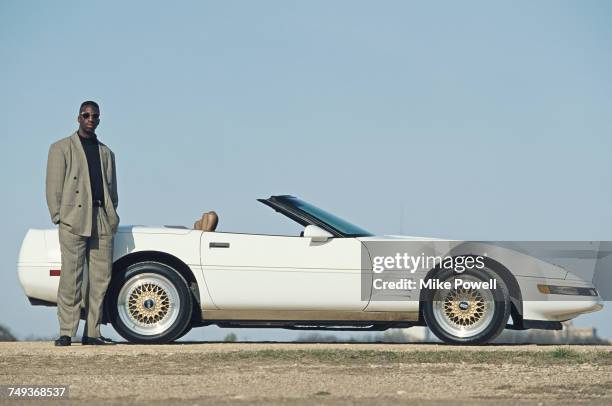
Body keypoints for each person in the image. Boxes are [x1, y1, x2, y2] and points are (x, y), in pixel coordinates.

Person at [45, 101, 120, 346]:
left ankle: (93, 333)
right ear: (78, 117)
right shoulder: (61, 148)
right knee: (71, 278)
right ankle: (66, 331)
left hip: (101, 218)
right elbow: (53, 186)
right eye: (86, 115)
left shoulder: (107, 153)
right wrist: (59, 216)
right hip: (73, 219)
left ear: (99, 119)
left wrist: (111, 217)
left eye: (95, 116)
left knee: (100, 279)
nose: (90, 119)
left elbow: (113, 191)